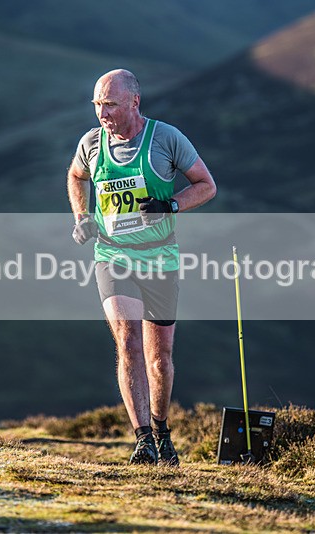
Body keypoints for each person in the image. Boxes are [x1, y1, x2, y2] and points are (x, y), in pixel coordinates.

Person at [66, 69, 216, 465]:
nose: (103, 113)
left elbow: (206, 184)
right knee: (127, 342)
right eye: (97, 104)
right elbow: (76, 175)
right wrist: (82, 217)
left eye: (110, 104)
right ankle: (143, 440)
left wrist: (171, 205)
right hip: (112, 255)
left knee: (158, 357)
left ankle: (162, 428)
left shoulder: (166, 139)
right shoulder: (91, 144)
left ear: (134, 101)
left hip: (160, 256)